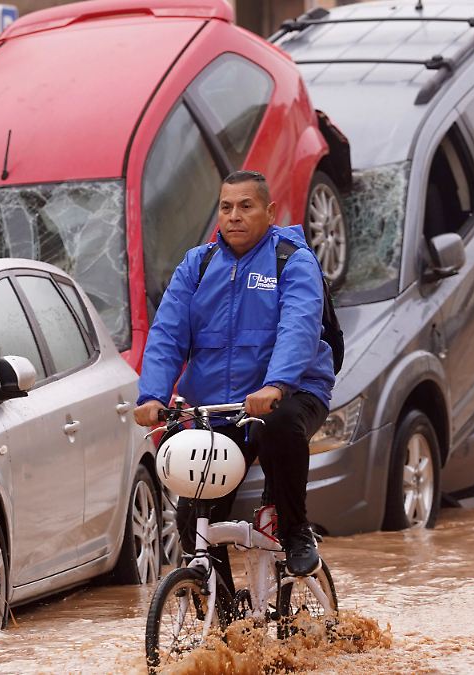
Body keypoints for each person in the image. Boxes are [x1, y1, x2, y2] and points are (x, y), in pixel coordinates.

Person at [133, 169, 334, 581]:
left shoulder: (292, 260)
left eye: (246, 206)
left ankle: (297, 534)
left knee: (279, 425)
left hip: (290, 393)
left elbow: (298, 326)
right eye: (226, 207)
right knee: (194, 523)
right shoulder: (197, 265)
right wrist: (151, 396)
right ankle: (227, 624)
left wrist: (275, 385)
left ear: (269, 211)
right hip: (219, 408)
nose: (234, 216)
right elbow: (168, 333)